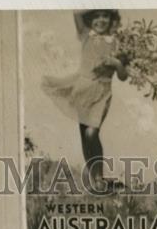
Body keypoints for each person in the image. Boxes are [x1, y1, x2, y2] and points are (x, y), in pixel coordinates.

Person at [41, 10, 128, 189]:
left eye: (105, 16)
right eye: (96, 16)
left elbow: (123, 76)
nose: (100, 20)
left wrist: (118, 64)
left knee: (91, 133)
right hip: (82, 90)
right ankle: (95, 179)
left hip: (102, 92)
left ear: (112, 19)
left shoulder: (118, 44)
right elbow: (76, 12)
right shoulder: (86, 35)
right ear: (90, 19)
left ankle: (99, 176)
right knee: (85, 138)